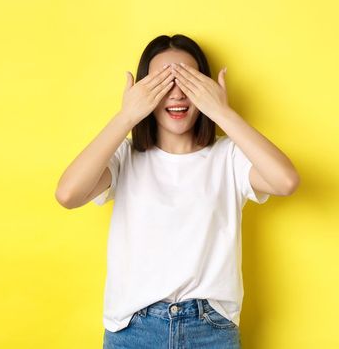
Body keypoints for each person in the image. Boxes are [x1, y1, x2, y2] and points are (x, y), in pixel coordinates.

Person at [54, 34, 300, 348]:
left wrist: (222, 112)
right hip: (133, 331)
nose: (177, 94)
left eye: (189, 80)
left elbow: (286, 181)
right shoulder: (125, 157)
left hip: (210, 329)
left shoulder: (228, 157)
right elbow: (68, 194)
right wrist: (126, 115)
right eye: (162, 82)